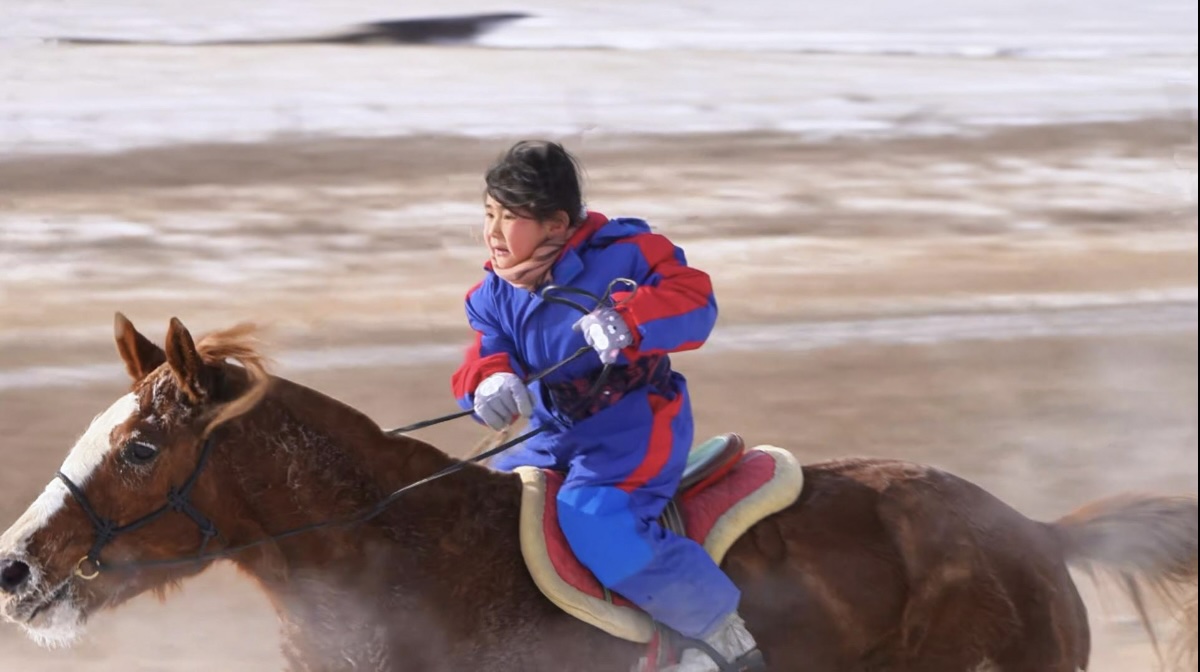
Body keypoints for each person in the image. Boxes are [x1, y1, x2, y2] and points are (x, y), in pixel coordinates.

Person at [450, 140, 762, 671]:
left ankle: (718, 631)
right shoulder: (492, 294)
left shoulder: (630, 253)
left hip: (635, 426)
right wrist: (489, 381)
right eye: (489, 214)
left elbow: (695, 302)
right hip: (552, 433)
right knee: (480, 508)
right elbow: (487, 348)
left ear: (555, 223)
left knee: (595, 520)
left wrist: (630, 319)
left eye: (510, 217)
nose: (494, 232)